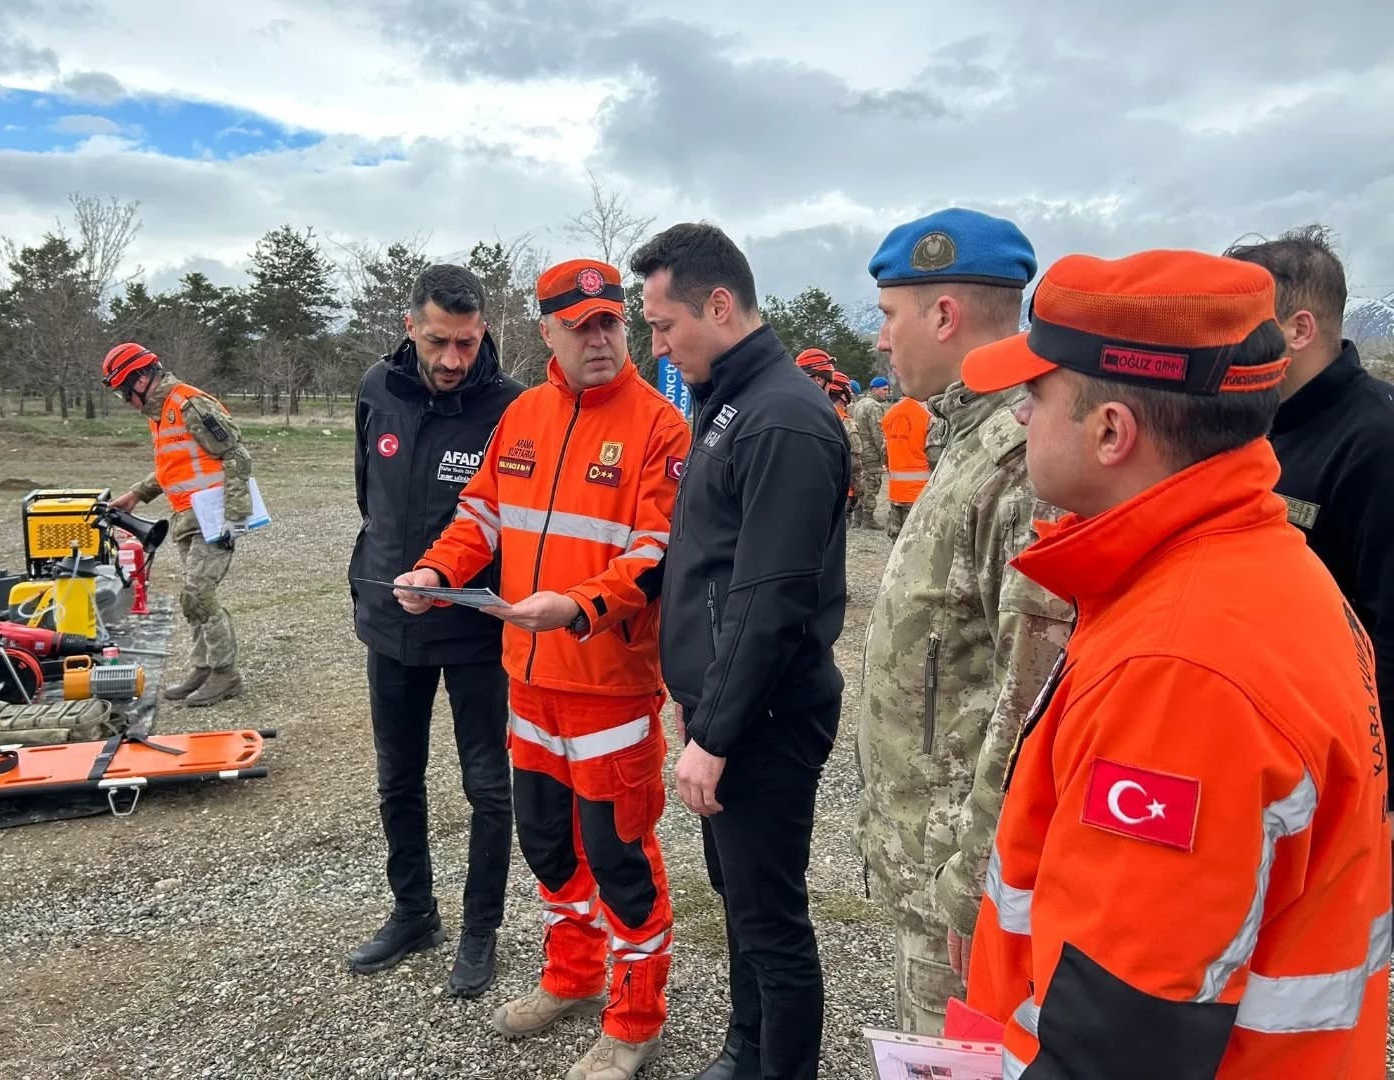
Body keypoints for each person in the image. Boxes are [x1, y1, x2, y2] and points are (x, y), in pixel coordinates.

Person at [959, 248, 1390, 1078]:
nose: (1019, 416)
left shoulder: (1182, 667)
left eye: (1035, 393)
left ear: (1111, 431)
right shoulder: (1251, 566)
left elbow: (1117, 1043)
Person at [395, 258, 690, 1080]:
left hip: (611, 689)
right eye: (580, 325)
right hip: (528, 682)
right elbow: (479, 515)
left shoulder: (661, 426)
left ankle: (635, 1021)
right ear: (547, 331)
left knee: (622, 859)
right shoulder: (522, 414)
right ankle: (573, 977)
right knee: (549, 848)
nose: (599, 339)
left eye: (612, 323)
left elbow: (655, 555)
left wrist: (577, 606)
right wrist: (434, 573)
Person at [634, 222, 850, 1080]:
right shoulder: (732, 404)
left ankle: (778, 1065)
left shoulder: (782, 419)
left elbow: (769, 599)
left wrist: (714, 736)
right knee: (738, 901)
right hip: (722, 705)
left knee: (771, 918)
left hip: (761, 713)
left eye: (662, 325)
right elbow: (710, 558)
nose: (656, 343)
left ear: (719, 305)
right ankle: (746, 1049)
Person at [853, 208, 1074, 1036]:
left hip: (963, 878)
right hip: (931, 861)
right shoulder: (969, 437)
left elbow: (1034, 702)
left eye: (888, 314)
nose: (879, 340)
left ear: (943, 315)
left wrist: (977, 884)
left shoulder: (1021, 461)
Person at [345, 265, 524, 992]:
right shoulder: (375, 391)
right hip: (390, 622)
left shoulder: (512, 407)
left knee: (488, 786)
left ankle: (480, 930)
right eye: (439, 341)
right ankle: (413, 911)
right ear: (411, 325)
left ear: (485, 331)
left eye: (468, 342)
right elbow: (369, 497)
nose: (453, 359)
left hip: (476, 628)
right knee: (399, 778)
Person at [1225, 226, 1394, 802]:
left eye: (1243, 325)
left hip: (1338, 767)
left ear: (1299, 330)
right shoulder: (1252, 426)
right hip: (1262, 742)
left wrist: (1373, 793)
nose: (1227, 344)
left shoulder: (1374, 441)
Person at [101, 343, 252, 707]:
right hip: (187, 517)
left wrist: (233, 516)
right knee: (192, 597)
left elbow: (236, 454)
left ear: (142, 378)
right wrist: (137, 494)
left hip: (213, 517)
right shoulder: (162, 412)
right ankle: (203, 667)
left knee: (200, 595)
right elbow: (175, 467)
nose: (125, 399)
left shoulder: (190, 405)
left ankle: (225, 673)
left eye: (124, 390)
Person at [880, 394, 931, 538]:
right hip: (919, 492)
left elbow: (885, 450)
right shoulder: (928, 415)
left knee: (897, 540)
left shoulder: (892, 413)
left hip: (896, 490)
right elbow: (935, 455)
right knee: (915, 541)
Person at [850, 377, 890, 529]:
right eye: (884, 389)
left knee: (861, 485)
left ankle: (857, 519)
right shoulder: (874, 406)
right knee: (872, 484)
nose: (886, 392)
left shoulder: (859, 404)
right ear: (874, 389)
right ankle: (868, 518)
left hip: (860, 449)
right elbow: (878, 432)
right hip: (871, 452)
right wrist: (884, 454)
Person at [829, 371, 864, 524]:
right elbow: (854, 464)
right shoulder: (846, 422)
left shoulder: (809, 415)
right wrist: (858, 491)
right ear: (844, 395)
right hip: (839, 492)